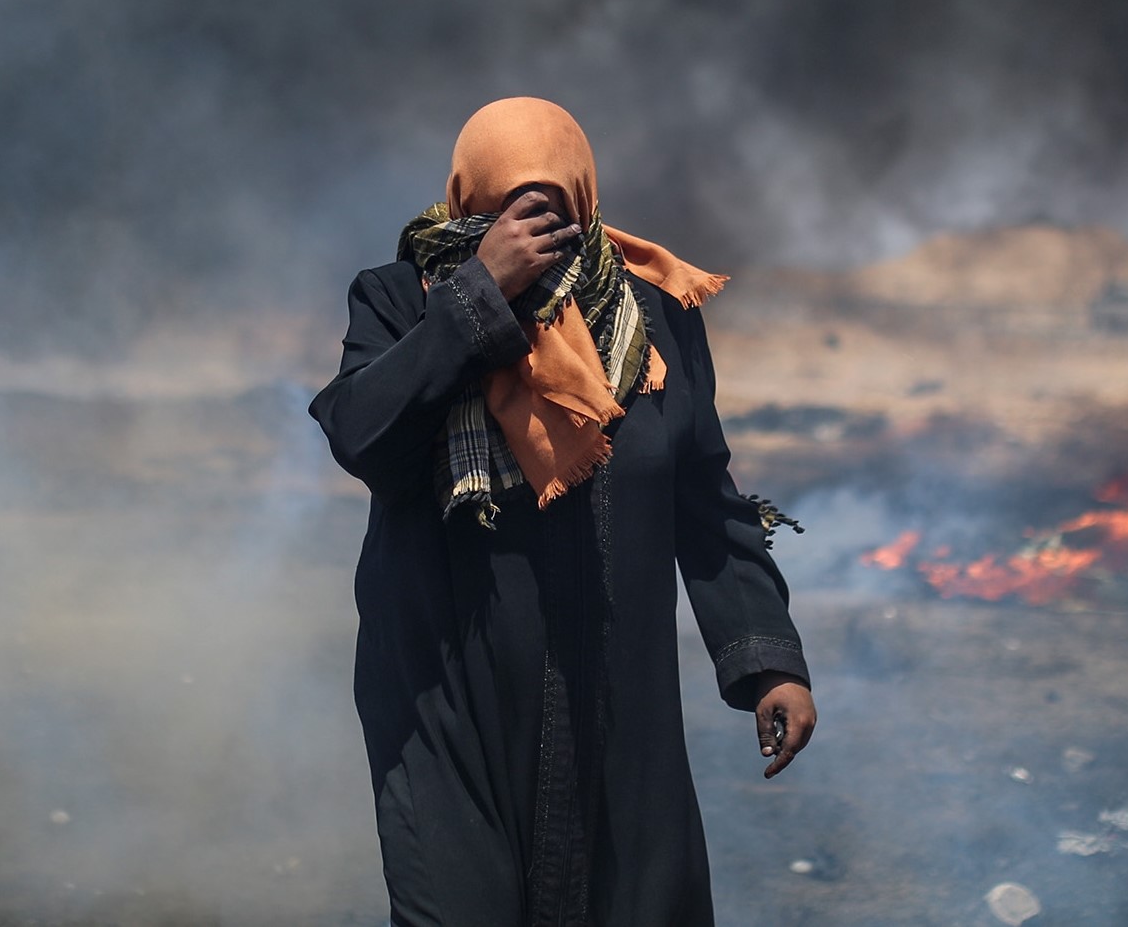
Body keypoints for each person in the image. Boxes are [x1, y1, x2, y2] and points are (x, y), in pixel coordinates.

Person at [310, 96, 816, 926]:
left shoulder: (655, 318)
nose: (534, 224)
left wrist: (771, 661)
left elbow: (706, 500)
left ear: (584, 198)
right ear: (469, 198)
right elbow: (362, 436)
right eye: (512, 203)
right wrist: (479, 296)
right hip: (448, 705)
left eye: (551, 202)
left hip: (617, 701)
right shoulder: (402, 298)